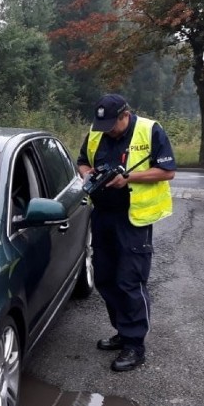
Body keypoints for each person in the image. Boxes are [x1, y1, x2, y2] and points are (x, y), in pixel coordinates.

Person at [76, 94, 176, 372]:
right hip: (103, 216)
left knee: (130, 281)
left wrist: (128, 178)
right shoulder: (97, 134)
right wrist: (88, 174)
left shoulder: (149, 129)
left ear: (125, 115)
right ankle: (122, 331)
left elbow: (167, 171)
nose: (106, 130)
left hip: (134, 218)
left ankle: (135, 345)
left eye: (112, 124)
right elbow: (82, 161)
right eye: (102, 125)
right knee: (106, 278)